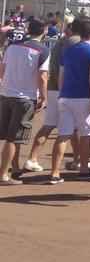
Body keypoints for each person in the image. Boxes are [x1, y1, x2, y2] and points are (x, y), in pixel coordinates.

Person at [50, 17, 90, 184]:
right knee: (86, 134)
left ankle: (55, 172)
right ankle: (83, 169)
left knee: (63, 135)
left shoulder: (69, 50)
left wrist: (61, 93)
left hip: (65, 96)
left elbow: (62, 74)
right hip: (84, 97)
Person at [24, 23, 80, 174]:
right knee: (68, 127)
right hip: (62, 88)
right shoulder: (72, 42)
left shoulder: (63, 42)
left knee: (54, 125)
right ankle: (77, 160)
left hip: (54, 87)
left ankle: (33, 158)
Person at [0, 18, 49, 183]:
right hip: (25, 97)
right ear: (44, 31)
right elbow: (42, 77)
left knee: (11, 135)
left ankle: (14, 167)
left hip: (6, 94)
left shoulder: (12, 47)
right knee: (13, 138)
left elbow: (2, 70)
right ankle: (3, 174)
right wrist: (43, 97)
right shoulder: (42, 50)